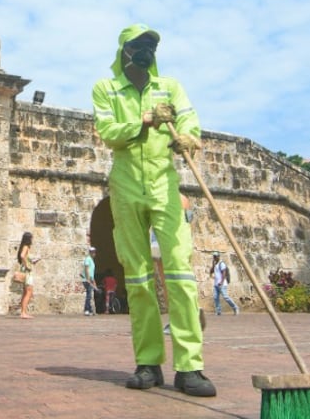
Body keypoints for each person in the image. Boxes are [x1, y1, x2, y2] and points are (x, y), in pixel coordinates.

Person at [92, 24, 215, 397]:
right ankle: (148, 363)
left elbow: (190, 121)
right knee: (139, 278)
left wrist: (189, 138)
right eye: (139, 44)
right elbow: (108, 132)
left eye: (151, 45)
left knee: (180, 273)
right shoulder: (106, 88)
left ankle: (190, 367)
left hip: (165, 184)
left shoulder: (171, 87)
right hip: (127, 185)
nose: (146, 50)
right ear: (124, 50)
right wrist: (144, 120)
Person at [16, 231, 39, 319]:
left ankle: (23, 312)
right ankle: (23, 313)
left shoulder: (24, 247)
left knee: (26, 292)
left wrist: (33, 262)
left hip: (25, 270)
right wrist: (27, 265)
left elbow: (23, 257)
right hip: (27, 271)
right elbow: (22, 256)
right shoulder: (26, 247)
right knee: (29, 292)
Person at [81, 246, 98, 316]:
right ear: (90, 253)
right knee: (89, 295)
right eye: (92, 252)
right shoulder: (88, 259)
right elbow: (86, 269)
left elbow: (92, 273)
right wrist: (88, 279)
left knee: (90, 295)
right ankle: (86, 310)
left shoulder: (91, 260)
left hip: (90, 280)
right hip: (86, 280)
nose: (94, 253)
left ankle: (90, 310)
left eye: (94, 252)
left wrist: (95, 284)